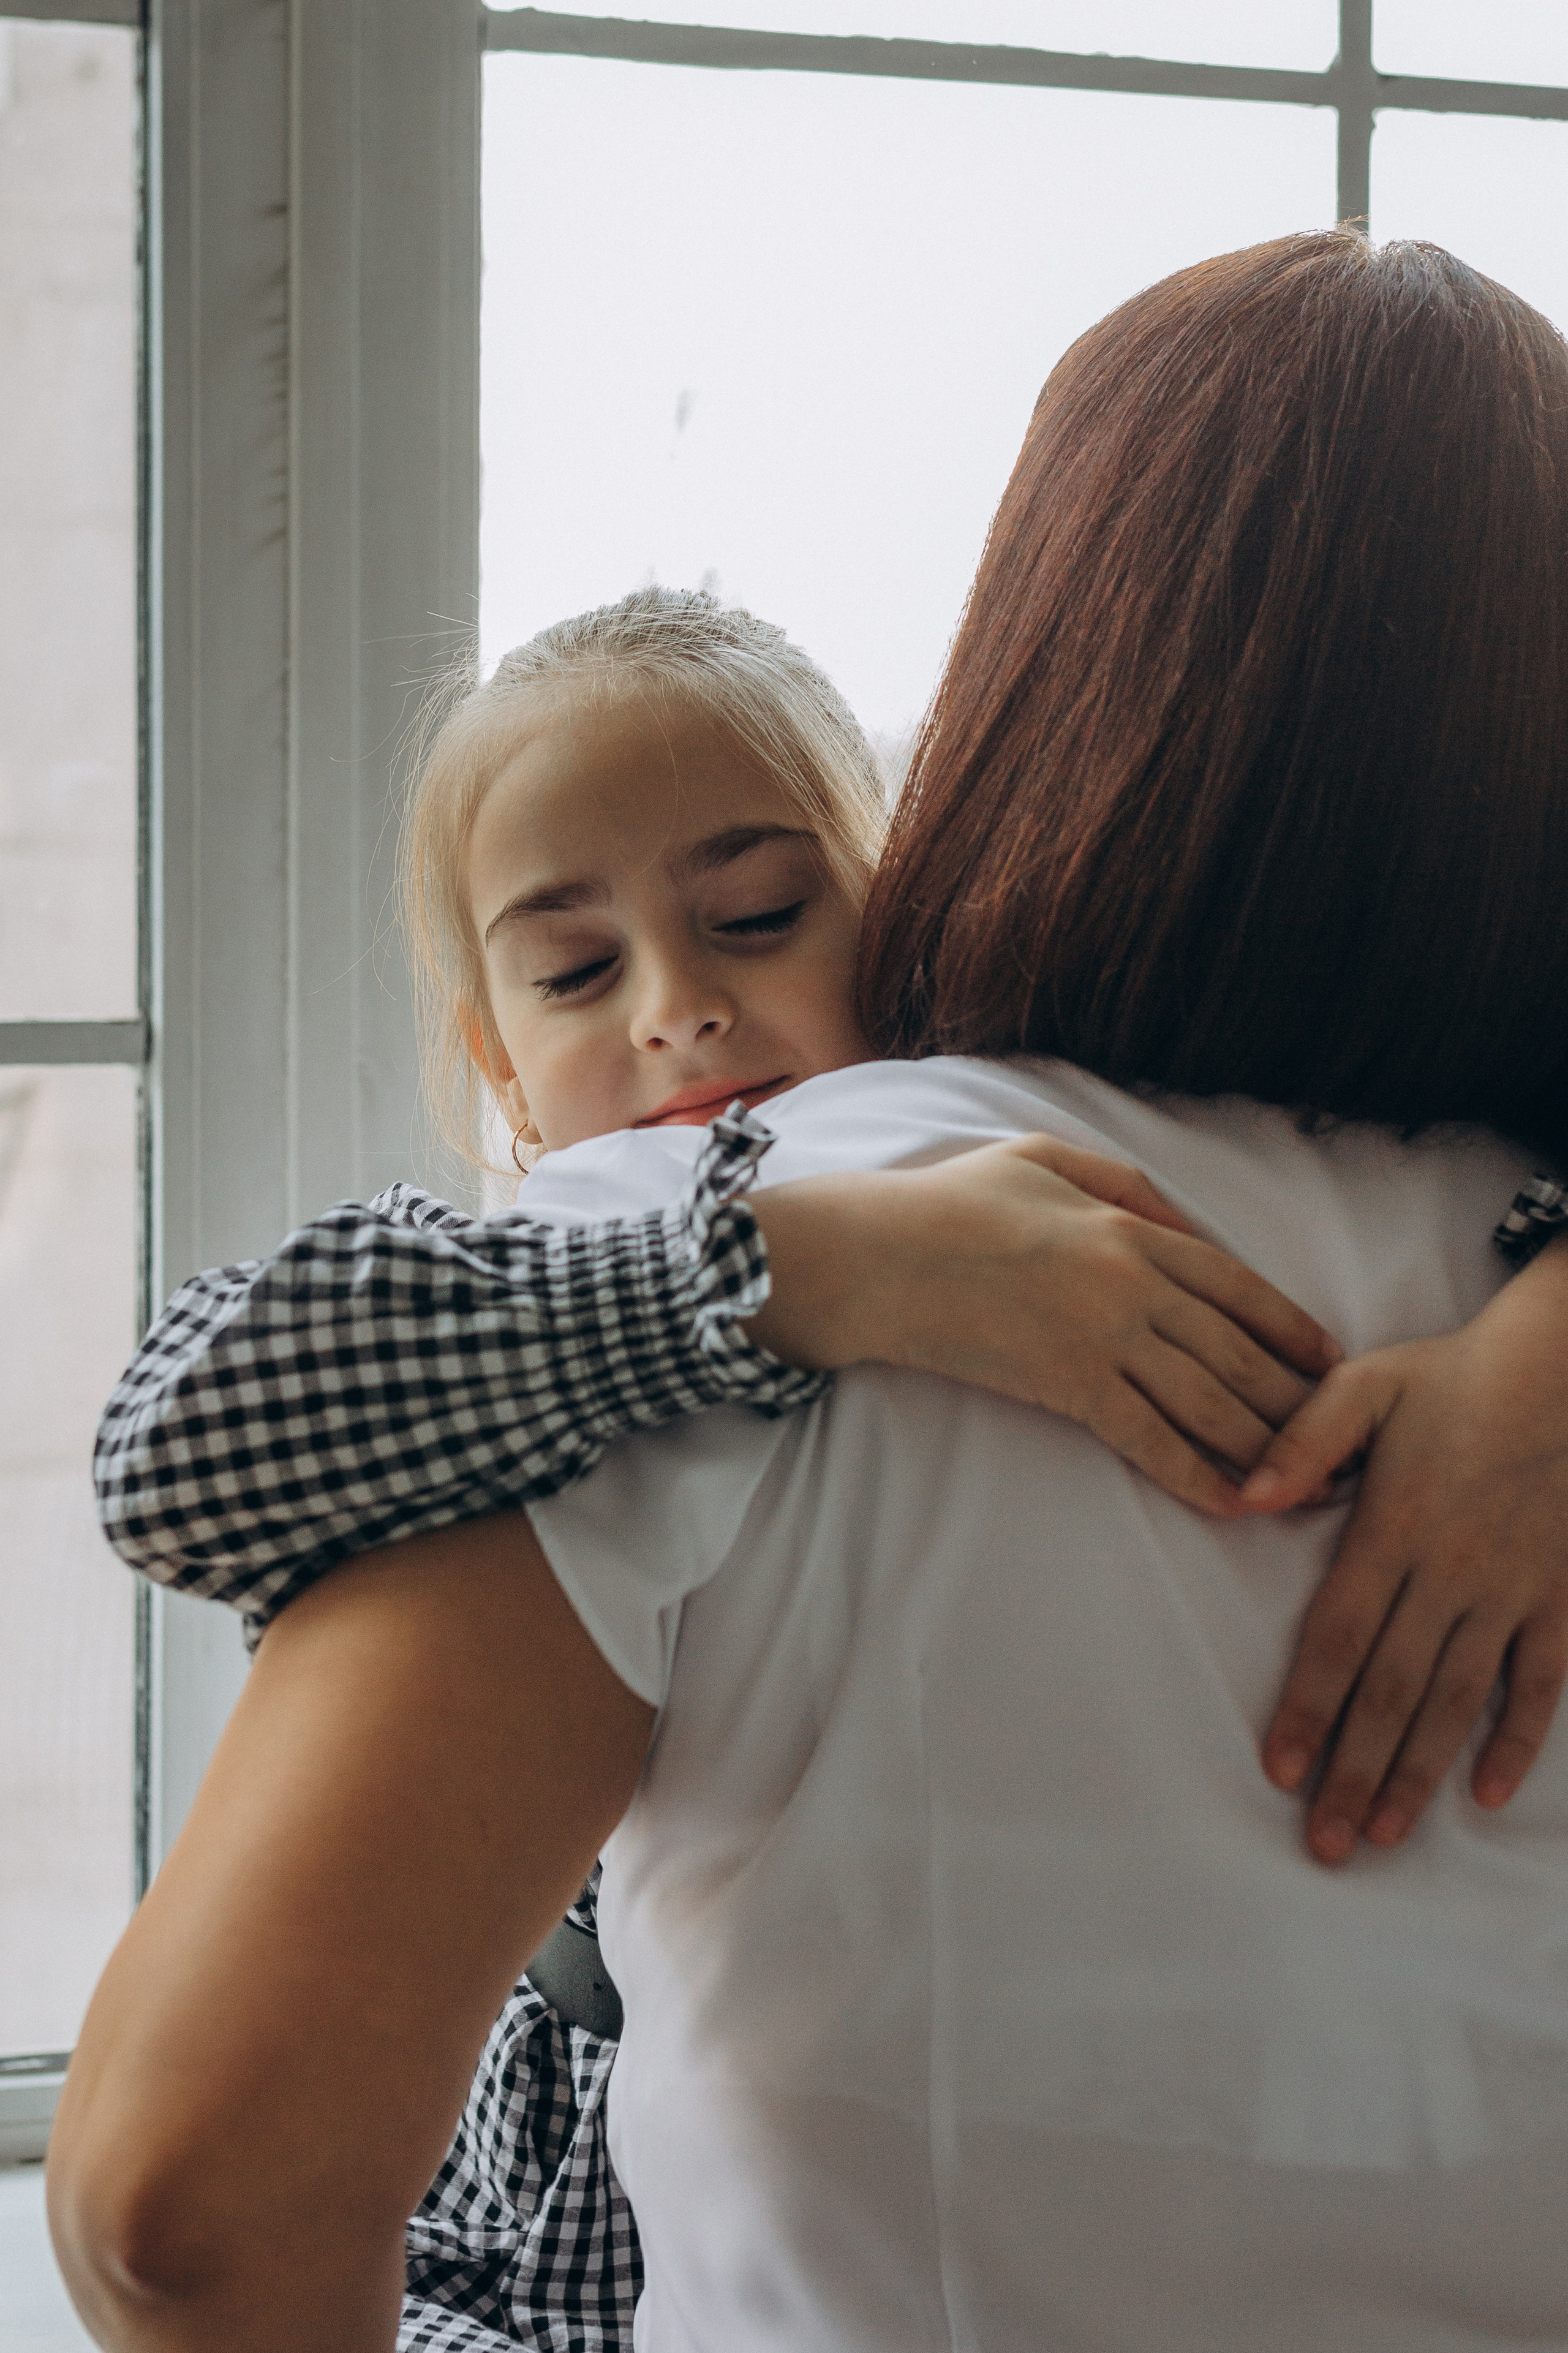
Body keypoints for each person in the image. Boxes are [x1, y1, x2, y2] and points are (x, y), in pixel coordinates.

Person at [53, 229, 1568, 2350]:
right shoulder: (737, 1234)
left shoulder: (740, 1224)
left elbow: (186, 2211)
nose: (681, 1022)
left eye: (761, 908)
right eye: (572, 965)